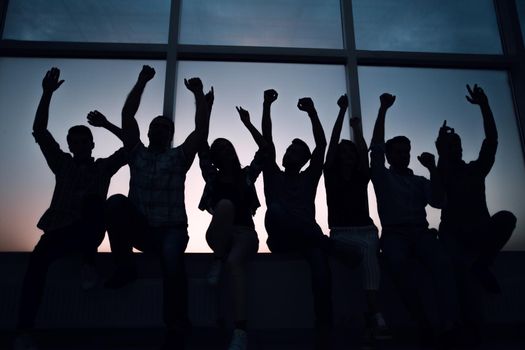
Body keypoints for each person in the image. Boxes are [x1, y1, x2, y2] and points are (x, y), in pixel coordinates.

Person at [15, 68, 127, 348]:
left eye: (82, 141)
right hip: (59, 231)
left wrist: (108, 124)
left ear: (91, 144)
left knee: (93, 202)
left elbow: (131, 147)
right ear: (69, 145)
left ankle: (88, 262)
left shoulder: (102, 167)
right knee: (36, 266)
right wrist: (47, 94)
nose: (77, 145)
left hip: (88, 231)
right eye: (73, 142)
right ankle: (24, 331)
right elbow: (40, 131)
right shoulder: (62, 164)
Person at [103, 65, 211, 339]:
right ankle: (126, 267)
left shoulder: (178, 157)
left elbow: (200, 130)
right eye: (156, 126)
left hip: (171, 229)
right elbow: (127, 115)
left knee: (172, 260)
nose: (160, 130)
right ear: (149, 132)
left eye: (166, 128)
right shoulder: (136, 153)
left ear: (170, 135)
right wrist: (141, 81)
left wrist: (198, 95)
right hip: (142, 229)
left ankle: (175, 323)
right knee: (115, 202)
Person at [261, 89, 361, 349]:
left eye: (295, 153)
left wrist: (313, 113)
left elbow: (321, 145)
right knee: (276, 209)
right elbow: (267, 139)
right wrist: (267, 105)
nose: (288, 154)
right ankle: (330, 245)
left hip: (308, 241)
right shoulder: (272, 174)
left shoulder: (309, 178)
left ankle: (324, 327)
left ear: (304, 161)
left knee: (320, 268)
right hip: (280, 238)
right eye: (288, 151)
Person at [369, 93, 459, 343]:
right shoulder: (383, 178)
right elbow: (376, 147)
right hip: (395, 234)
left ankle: (448, 326)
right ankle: (424, 324)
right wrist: (383, 109)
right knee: (398, 268)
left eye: (406, 152)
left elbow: (439, 202)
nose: (403, 156)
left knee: (442, 264)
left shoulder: (420, 181)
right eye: (397, 152)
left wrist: (432, 168)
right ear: (389, 156)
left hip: (420, 232)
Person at [435, 84, 516, 334]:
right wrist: (441, 148)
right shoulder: (443, 173)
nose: (456, 149)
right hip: (453, 235)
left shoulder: (475, 170)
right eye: (451, 146)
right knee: (459, 273)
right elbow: (439, 188)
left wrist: (485, 106)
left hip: (477, 231)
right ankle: (466, 326)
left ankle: (482, 264)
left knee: (506, 218)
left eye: (457, 145)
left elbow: (491, 141)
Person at [198, 106, 266, 350]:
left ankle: (240, 331)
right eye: (219, 150)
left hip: (245, 235)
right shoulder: (212, 178)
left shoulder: (247, 176)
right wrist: (204, 105)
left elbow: (265, 150)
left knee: (234, 263)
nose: (224, 150)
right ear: (214, 159)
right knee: (225, 205)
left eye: (227, 146)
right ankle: (218, 257)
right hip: (220, 235)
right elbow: (200, 142)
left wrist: (247, 123)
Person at [323, 94, 389, 343]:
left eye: (351, 154)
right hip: (341, 233)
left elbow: (364, 150)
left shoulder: (362, 176)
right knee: (355, 263)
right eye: (344, 154)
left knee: (369, 254)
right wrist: (341, 113)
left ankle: (373, 313)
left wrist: (358, 128)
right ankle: (373, 314)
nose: (347, 157)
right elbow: (331, 144)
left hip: (365, 231)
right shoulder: (331, 175)